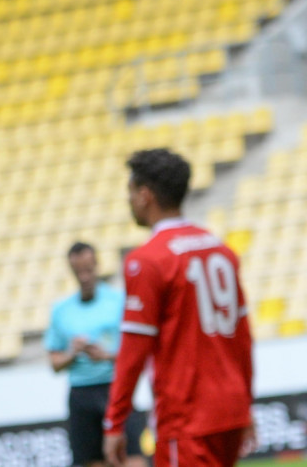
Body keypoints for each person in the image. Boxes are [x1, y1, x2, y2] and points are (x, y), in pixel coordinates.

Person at [104, 149, 255, 467]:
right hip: (230, 413)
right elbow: (243, 339)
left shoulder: (147, 260)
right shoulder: (221, 250)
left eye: (130, 191)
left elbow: (133, 351)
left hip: (187, 418)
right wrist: (246, 407)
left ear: (145, 195)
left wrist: (114, 422)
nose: (129, 200)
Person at [45, 242, 145, 467]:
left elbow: (137, 353)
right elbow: (54, 363)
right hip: (81, 394)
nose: (84, 276)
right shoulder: (61, 310)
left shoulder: (119, 301)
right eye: (78, 271)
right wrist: (73, 353)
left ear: (97, 265)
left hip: (116, 388)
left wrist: (106, 356)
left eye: (88, 269)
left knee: (132, 459)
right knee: (92, 461)